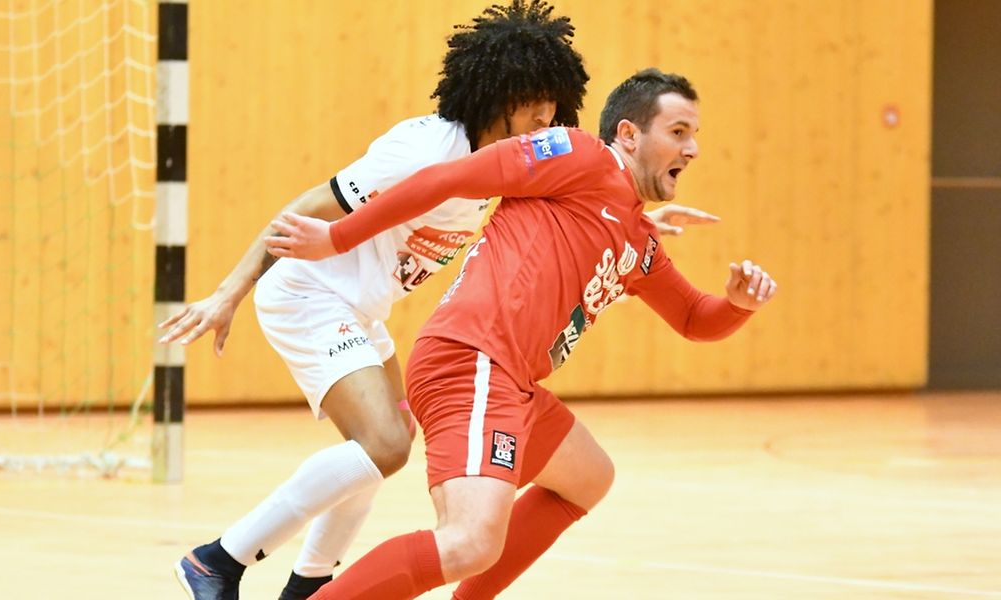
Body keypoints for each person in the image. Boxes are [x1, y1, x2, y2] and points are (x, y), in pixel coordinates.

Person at [160, 3, 715, 598]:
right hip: (309, 291)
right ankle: (220, 559)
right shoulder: (429, 149)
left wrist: (638, 225)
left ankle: (310, 580)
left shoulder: (500, 170)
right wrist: (228, 292)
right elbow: (302, 211)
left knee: (379, 444)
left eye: (555, 108)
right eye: (533, 105)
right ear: (498, 94)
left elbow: (563, 242)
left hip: (359, 308)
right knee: (385, 445)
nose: (545, 120)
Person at [266, 69, 777, 600]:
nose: (691, 148)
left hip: (510, 379)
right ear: (628, 134)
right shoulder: (578, 154)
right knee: (467, 543)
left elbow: (695, 318)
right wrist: (337, 236)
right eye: (678, 131)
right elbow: (450, 178)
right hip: (473, 359)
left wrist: (738, 305)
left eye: (694, 135)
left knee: (587, 478)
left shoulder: (639, 238)